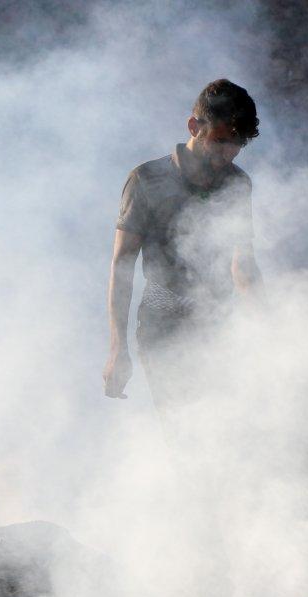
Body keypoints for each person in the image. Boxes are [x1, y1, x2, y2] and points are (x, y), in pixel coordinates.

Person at [102, 78, 262, 407]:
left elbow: (243, 265)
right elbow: (122, 266)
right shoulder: (146, 180)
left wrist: (270, 331)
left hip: (218, 325)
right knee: (182, 427)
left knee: (227, 429)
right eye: (220, 141)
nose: (228, 153)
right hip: (164, 325)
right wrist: (118, 349)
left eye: (237, 145)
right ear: (194, 126)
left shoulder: (238, 183)